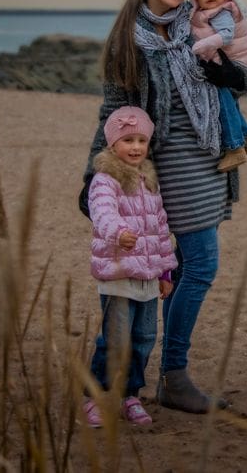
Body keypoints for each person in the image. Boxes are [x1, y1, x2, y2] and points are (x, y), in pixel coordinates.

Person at [79, 0, 247, 414]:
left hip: (211, 156)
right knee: (201, 265)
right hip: (168, 164)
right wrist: (95, 176)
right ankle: (172, 375)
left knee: (179, 269)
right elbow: (112, 113)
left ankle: (162, 377)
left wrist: (230, 76)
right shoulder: (129, 41)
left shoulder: (200, 25)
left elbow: (238, 78)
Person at [84, 105, 178, 428]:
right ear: (113, 145)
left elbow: (161, 228)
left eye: (141, 140)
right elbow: (102, 212)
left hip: (149, 279)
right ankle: (95, 397)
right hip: (119, 273)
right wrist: (118, 233)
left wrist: (166, 271)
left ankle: (130, 396)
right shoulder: (105, 179)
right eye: (128, 140)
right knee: (116, 339)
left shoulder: (150, 181)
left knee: (143, 338)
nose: (136, 147)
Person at [190, 0, 247, 172]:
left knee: (221, 96)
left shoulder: (222, 11)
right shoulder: (208, 12)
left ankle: (235, 147)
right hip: (232, 62)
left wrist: (200, 47)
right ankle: (245, 136)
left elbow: (225, 35)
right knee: (230, 99)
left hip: (235, 65)